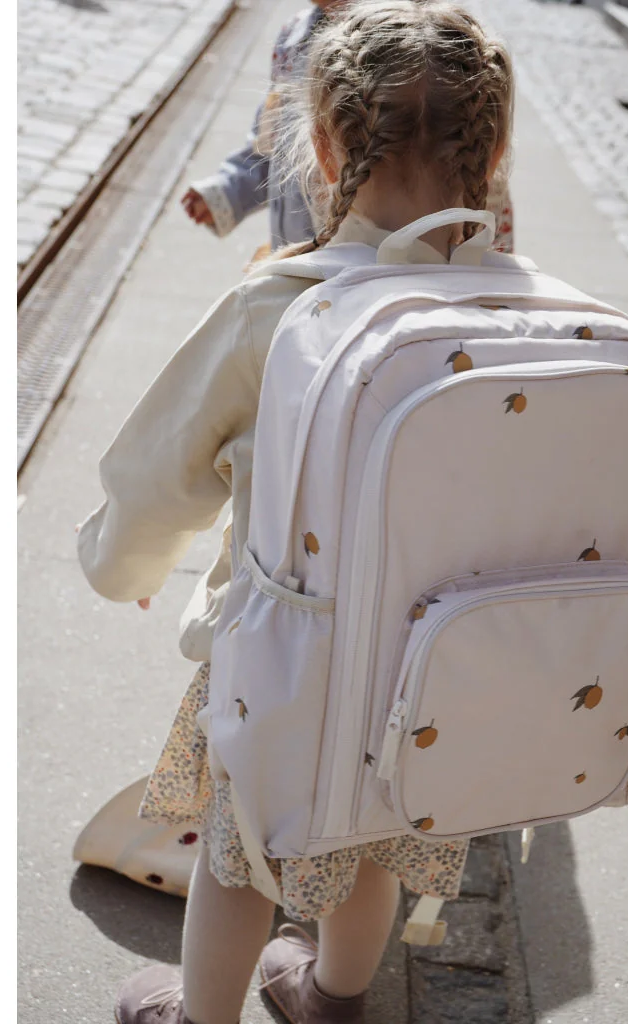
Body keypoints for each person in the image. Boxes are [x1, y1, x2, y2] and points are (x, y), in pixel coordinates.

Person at [76, 3, 516, 1022]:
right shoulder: (521, 311)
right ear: (492, 152)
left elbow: (158, 475)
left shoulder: (276, 309)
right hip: (440, 670)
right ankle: (330, 993)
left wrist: (126, 566)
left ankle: (201, 1013)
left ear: (320, 145)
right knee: (376, 842)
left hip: (287, 667)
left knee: (240, 856)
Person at [180, 0, 514, 257]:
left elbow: (473, 151)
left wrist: (486, 261)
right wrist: (227, 190)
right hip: (306, 253)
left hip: (388, 257)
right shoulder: (292, 38)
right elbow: (272, 143)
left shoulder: (419, 48)